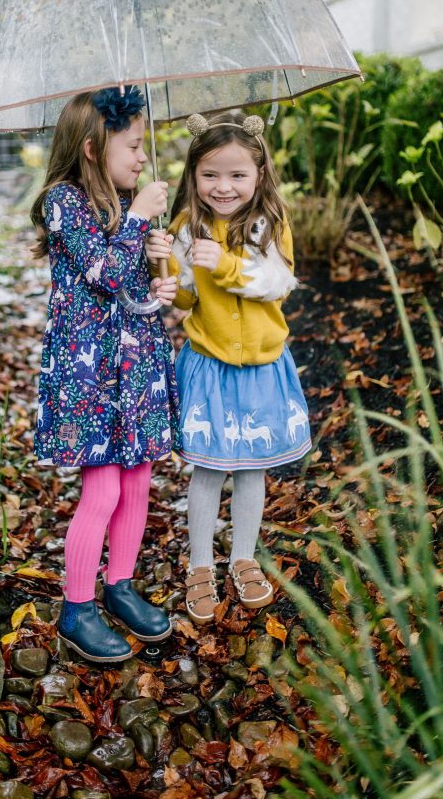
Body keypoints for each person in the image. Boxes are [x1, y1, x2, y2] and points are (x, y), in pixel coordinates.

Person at [31, 86, 180, 662]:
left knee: (139, 477)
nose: (143, 157)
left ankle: (118, 585)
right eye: (134, 146)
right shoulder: (63, 202)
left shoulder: (120, 205)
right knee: (105, 485)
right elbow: (104, 273)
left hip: (135, 364)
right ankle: (76, 607)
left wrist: (157, 285)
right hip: (90, 375)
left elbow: (132, 292)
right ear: (93, 148)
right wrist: (140, 220)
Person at [146, 111, 312, 625]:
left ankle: (242, 556)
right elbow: (188, 303)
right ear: (192, 175)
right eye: (210, 175)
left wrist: (225, 263)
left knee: (252, 467)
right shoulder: (183, 228)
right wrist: (166, 274)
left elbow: (276, 283)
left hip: (262, 364)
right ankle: (200, 564)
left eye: (237, 175)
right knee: (211, 467)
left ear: (259, 173)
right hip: (211, 363)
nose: (223, 187)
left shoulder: (269, 224)